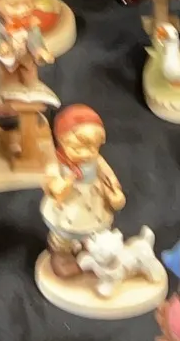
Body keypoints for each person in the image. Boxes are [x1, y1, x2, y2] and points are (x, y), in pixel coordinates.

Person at [40, 105, 125, 278]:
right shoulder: (55, 162)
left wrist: (114, 190)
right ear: (61, 140)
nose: (87, 154)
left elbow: (108, 176)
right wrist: (63, 184)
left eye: (94, 148)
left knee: (95, 228)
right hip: (69, 203)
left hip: (93, 199)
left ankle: (91, 248)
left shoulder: (97, 160)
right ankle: (61, 254)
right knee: (63, 233)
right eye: (79, 148)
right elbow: (52, 183)